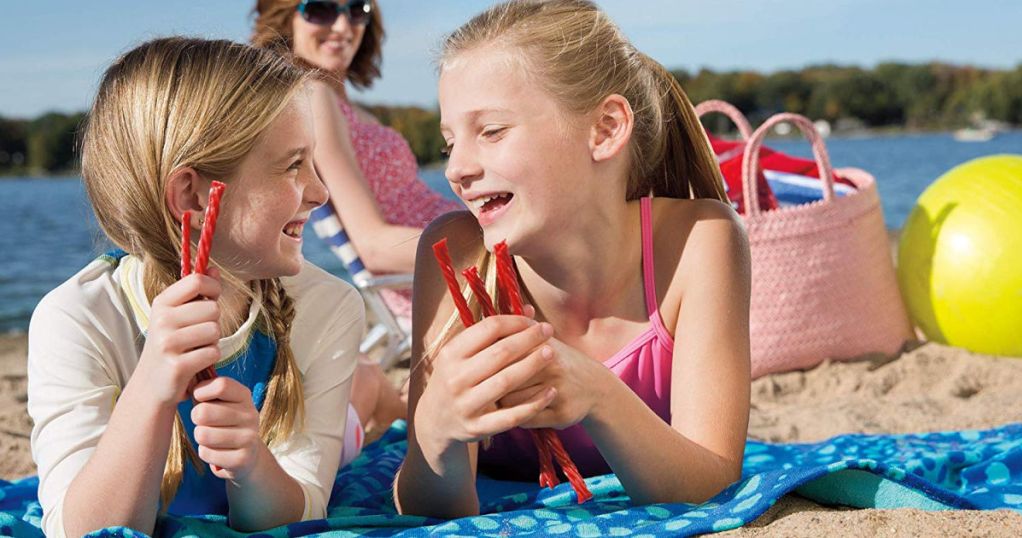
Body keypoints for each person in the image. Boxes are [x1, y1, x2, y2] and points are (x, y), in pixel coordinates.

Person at [394, 0, 752, 518]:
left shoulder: (700, 239)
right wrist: (436, 435)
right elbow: (431, 511)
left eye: (491, 132)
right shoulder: (458, 256)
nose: (456, 169)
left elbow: (712, 485)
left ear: (605, 129)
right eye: (451, 142)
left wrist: (598, 395)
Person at [27, 38, 364, 537]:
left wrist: (252, 463)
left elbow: (299, 513)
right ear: (192, 193)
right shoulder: (76, 319)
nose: (320, 191)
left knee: (354, 431)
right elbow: (80, 531)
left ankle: (369, 404)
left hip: (330, 411)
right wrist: (151, 388)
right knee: (356, 423)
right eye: (293, 165)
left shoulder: (328, 306)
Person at [252, 0, 457, 439]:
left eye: (357, 9)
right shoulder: (312, 93)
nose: (343, 25)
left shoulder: (336, 97)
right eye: (321, 9)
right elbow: (373, 244)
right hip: (433, 272)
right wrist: (497, 244)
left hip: (445, 252)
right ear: (285, 16)